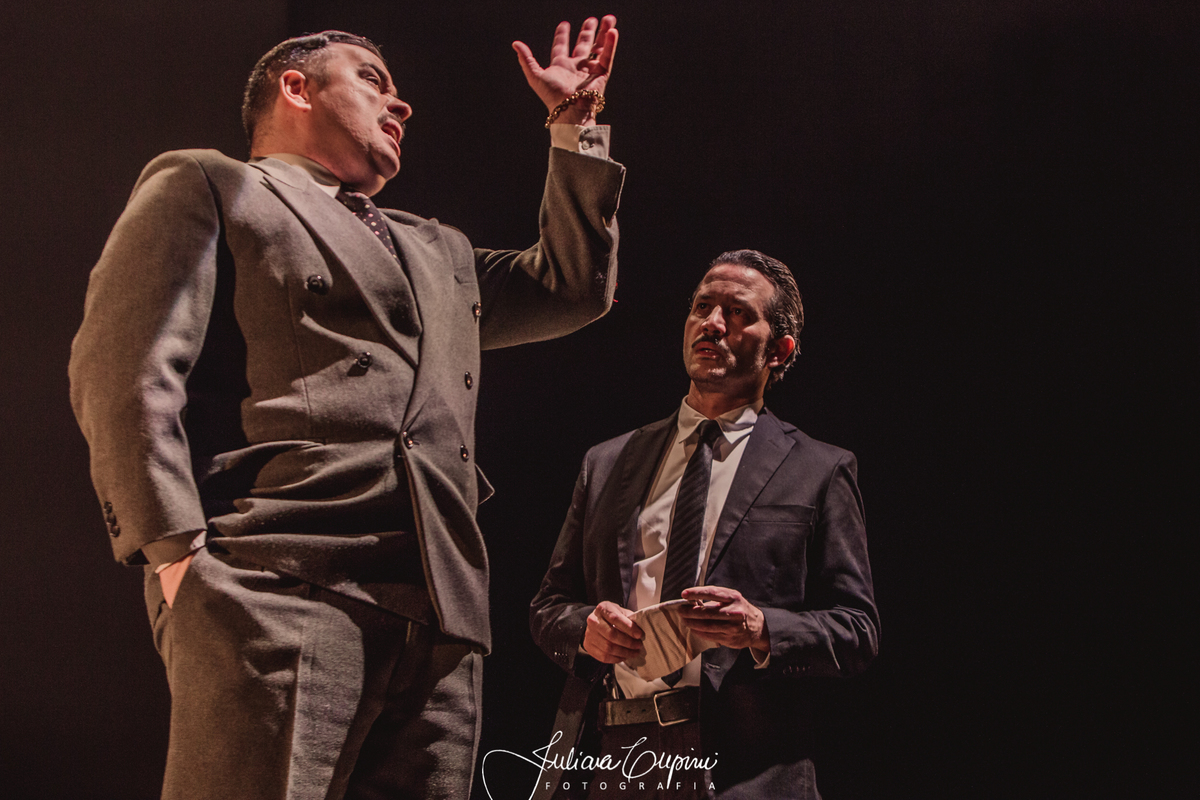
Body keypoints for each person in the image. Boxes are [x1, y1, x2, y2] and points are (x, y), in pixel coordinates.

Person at [69, 16, 623, 800]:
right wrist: (174, 553)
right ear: (296, 88)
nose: (401, 104)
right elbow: (124, 366)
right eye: (371, 79)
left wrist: (575, 126)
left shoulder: (436, 249)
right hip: (278, 581)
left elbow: (571, 287)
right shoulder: (214, 183)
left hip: (440, 611)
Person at [530, 250, 879, 799]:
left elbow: (857, 629)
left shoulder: (820, 470)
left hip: (745, 767)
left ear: (779, 350)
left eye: (737, 312)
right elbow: (549, 606)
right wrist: (587, 630)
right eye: (702, 307)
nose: (713, 323)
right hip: (615, 758)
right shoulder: (608, 461)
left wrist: (760, 628)